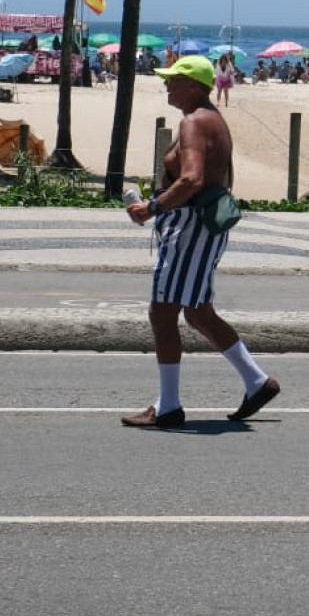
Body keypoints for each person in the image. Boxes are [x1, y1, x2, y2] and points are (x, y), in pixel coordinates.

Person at [122, 55, 279, 428]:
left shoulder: (193, 122)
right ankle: (256, 382)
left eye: (174, 80)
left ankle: (169, 406)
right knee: (196, 312)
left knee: (163, 312)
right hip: (202, 229)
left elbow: (192, 179)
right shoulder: (213, 120)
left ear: (194, 85)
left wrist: (153, 207)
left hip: (189, 229)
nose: (167, 85)